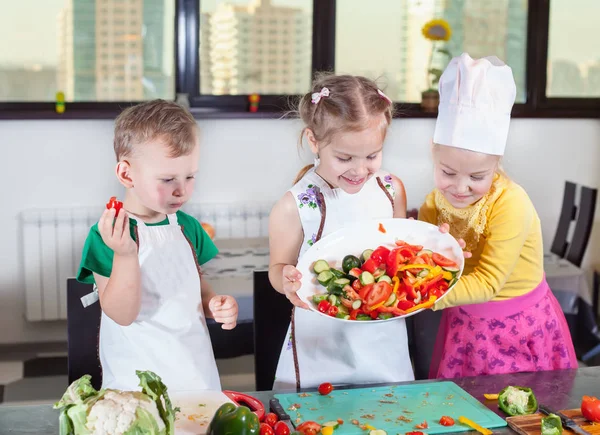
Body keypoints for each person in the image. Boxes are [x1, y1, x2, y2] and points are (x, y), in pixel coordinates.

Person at [418, 53, 577, 378]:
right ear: (434, 154)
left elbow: (489, 282)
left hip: (519, 327)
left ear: (496, 165)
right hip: (464, 322)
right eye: (448, 172)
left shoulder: (510, 203)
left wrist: (419, 300)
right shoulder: (433, 204)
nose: (460, 188)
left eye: (477, 177)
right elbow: (424, 261)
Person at [77, 100, 238, 391]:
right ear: (127, 174)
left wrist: (214, 304)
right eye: (167, 179)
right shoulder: (107, 234)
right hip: (136, 384)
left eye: (190, 176)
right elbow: (122, 315)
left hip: (195, 375)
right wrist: (126, 254)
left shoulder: (187, 226)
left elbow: (196, 287)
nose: (182, 190)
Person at [268, 74, 414, 390]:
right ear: (314, 141)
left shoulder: (391, 189)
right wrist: (286, 280)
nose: (360, 170)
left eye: (372, 156)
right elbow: (277, 268)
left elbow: (401, 255)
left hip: (383, 342)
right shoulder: (295, 206)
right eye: (345, 158)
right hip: (320, 346)